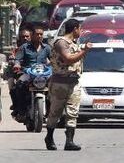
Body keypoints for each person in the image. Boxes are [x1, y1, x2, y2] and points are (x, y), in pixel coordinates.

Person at [45, 19, 92, 151]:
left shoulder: (74, 43)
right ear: (75, 29)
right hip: (60, 82)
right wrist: (85, 51)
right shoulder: (61, 42)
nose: (81, 32)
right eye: (80, 29)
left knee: (73, 113)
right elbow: (68, 58)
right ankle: (49, 137)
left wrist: (82, 48)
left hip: (73, 83)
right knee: (55, 112)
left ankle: (69, 141)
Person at [11, 27, 51, 117]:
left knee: (54, 86)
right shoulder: (24, 47)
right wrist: (17, 65)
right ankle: (21, 110)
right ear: (32, 35)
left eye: (41, 34)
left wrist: (55, 66)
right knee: (19, 85)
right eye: (37, 34)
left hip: (43, 74)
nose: (39, 36)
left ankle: (51, 110)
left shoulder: (47, 48)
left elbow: (54, 59)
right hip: (28, 73)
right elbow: (17, 59)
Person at [7, 29, 33, 116]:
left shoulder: (35, 48)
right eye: (23, 37)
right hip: (19, 73)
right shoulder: (16, 50)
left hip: (34, 73)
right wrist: (13, 62)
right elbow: (13, 60)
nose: (25, 38)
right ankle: (16, 106)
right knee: (13, 85)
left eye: (27, 36)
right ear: (19, 38)